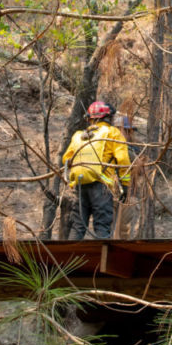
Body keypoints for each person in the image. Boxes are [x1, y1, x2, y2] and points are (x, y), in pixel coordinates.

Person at [61, 100, 131, 240]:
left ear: (90, 118)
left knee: (78, 226)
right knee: (102, 226)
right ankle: (102, 259)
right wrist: (125, 186)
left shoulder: (79, 136)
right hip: (101, 186)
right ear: (108, 117)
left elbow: (66, 159)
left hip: (80, 186)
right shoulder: (112, 133)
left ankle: (70, 260)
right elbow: (123, 161)